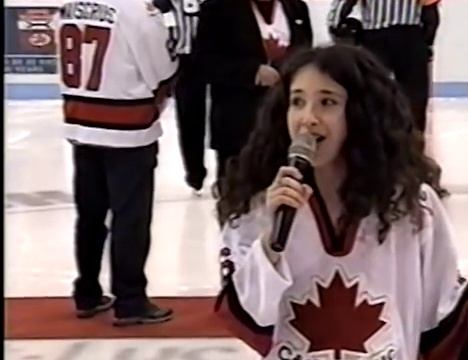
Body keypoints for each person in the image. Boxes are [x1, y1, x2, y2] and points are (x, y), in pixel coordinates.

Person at [212, 45, 468, 359]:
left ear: (360, 114)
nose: (308, 117)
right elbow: (247, 319)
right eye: (297, 101)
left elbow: (445, 311)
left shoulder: (412, 206)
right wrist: (272, 245)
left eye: (327, 102)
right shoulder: (259, 209)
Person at [58, 0, 176, 325]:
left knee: (90, 215)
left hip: (81, 123)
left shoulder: (68, 6)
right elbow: (161, 69)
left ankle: (87, 292)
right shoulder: (138, 11)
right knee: (130, 219)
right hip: (127, 129)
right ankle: (131, 299)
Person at [194, 0, 312, 181]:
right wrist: (252, 72)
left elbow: (307, 53)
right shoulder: (217, 8)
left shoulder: (296, 7)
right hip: (238, 124)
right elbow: (203, 63)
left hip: (285, 124)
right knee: (238, 196)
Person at [328, 0, 440, 134]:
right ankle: (413, 142)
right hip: (409, 35)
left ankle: (372, 140)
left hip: (375, 36)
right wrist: (427, 43)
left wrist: (336, 27)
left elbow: (342, 5)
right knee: (414, 96)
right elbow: (430, 12)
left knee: (371, 94)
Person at [153, 0, 210, 193]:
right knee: (189, 120)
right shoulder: (161, 4)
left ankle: (227, 173)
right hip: (181, 63)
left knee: (223, 117)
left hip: (213, 59)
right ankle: (195, 172)